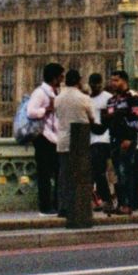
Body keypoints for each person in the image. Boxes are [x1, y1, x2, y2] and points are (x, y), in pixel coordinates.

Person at [52, 69, 101, 219]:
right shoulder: (84, 98)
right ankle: (79, 205)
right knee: (80, 176)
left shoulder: (58, 98)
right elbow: (92, 119)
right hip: (80, 142)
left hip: (63, 140)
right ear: (79, 81)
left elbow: (58, 116)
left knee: (63, 176)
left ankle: (63, 207)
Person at [25, 63, 64, 215]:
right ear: (54, 77)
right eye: (60, 76)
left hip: (54, 138)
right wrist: (47, 109)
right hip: (43, 137)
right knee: (44, 174)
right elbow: (30, 112)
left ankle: (56, 204)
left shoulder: (56, 92)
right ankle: (45, 206)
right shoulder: (40, 93)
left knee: (58, 172)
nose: (62, 78)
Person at [102, 71, 138, 214]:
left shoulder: (133, 98)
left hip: (127, 139)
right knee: (118, 174)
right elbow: (107, 119)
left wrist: (130, 138)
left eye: (116, 80)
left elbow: (136, 119)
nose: (113, 83)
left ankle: (129, 204)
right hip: (114, 139)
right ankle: (121, 203)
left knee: (125, 171)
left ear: (124, 81)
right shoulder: (111, 101)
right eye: (112, 80)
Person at [87, 73, 114, 211]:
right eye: (93, 84)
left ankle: (107, 200)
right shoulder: (87, 99)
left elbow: (108, 119)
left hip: (104, 139)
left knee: (99, 171)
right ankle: (97, 200)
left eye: (98, 84)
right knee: (92, 172)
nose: (96, 86)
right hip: (91, 140)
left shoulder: (108, 98)